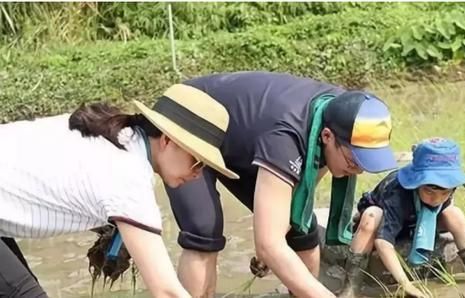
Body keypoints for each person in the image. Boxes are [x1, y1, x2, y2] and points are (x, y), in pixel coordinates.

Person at [153, 71, 398, 297]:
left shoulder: (339, 114)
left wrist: (273, 241)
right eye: (354, 162)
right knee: (204, 231)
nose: (358, 170)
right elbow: (270, 244)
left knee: (303, 233)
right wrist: (269, 246)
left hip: (248, 140)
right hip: (190, 121)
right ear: (327, 137)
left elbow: (300, 195)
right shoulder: (287, 136)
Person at [0, 84, 239, 298]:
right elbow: (167, 292)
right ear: (167, 141)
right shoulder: (129, 177)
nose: (199, 173)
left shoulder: (117, 135)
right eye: (197, 161)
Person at [338, 137, 465, 298]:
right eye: (429, 192)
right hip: (385, 222)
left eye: (445, 193)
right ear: (416, 183)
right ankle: (351, 287)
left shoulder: (445, 193)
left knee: (454, 213)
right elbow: (383, 241)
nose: (437, 199)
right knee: (371, 216)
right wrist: (405, 284)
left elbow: (446, 208)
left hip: (417, 222)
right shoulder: (397, 193)